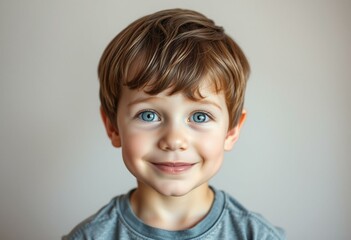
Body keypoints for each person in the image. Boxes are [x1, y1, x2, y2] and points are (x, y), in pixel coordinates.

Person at [63, 8, 285, 240]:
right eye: (148, 115)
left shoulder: (258, 236)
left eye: (200, 116)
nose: (174, 140)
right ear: (113, 127)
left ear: (231, 130)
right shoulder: (88, 237)